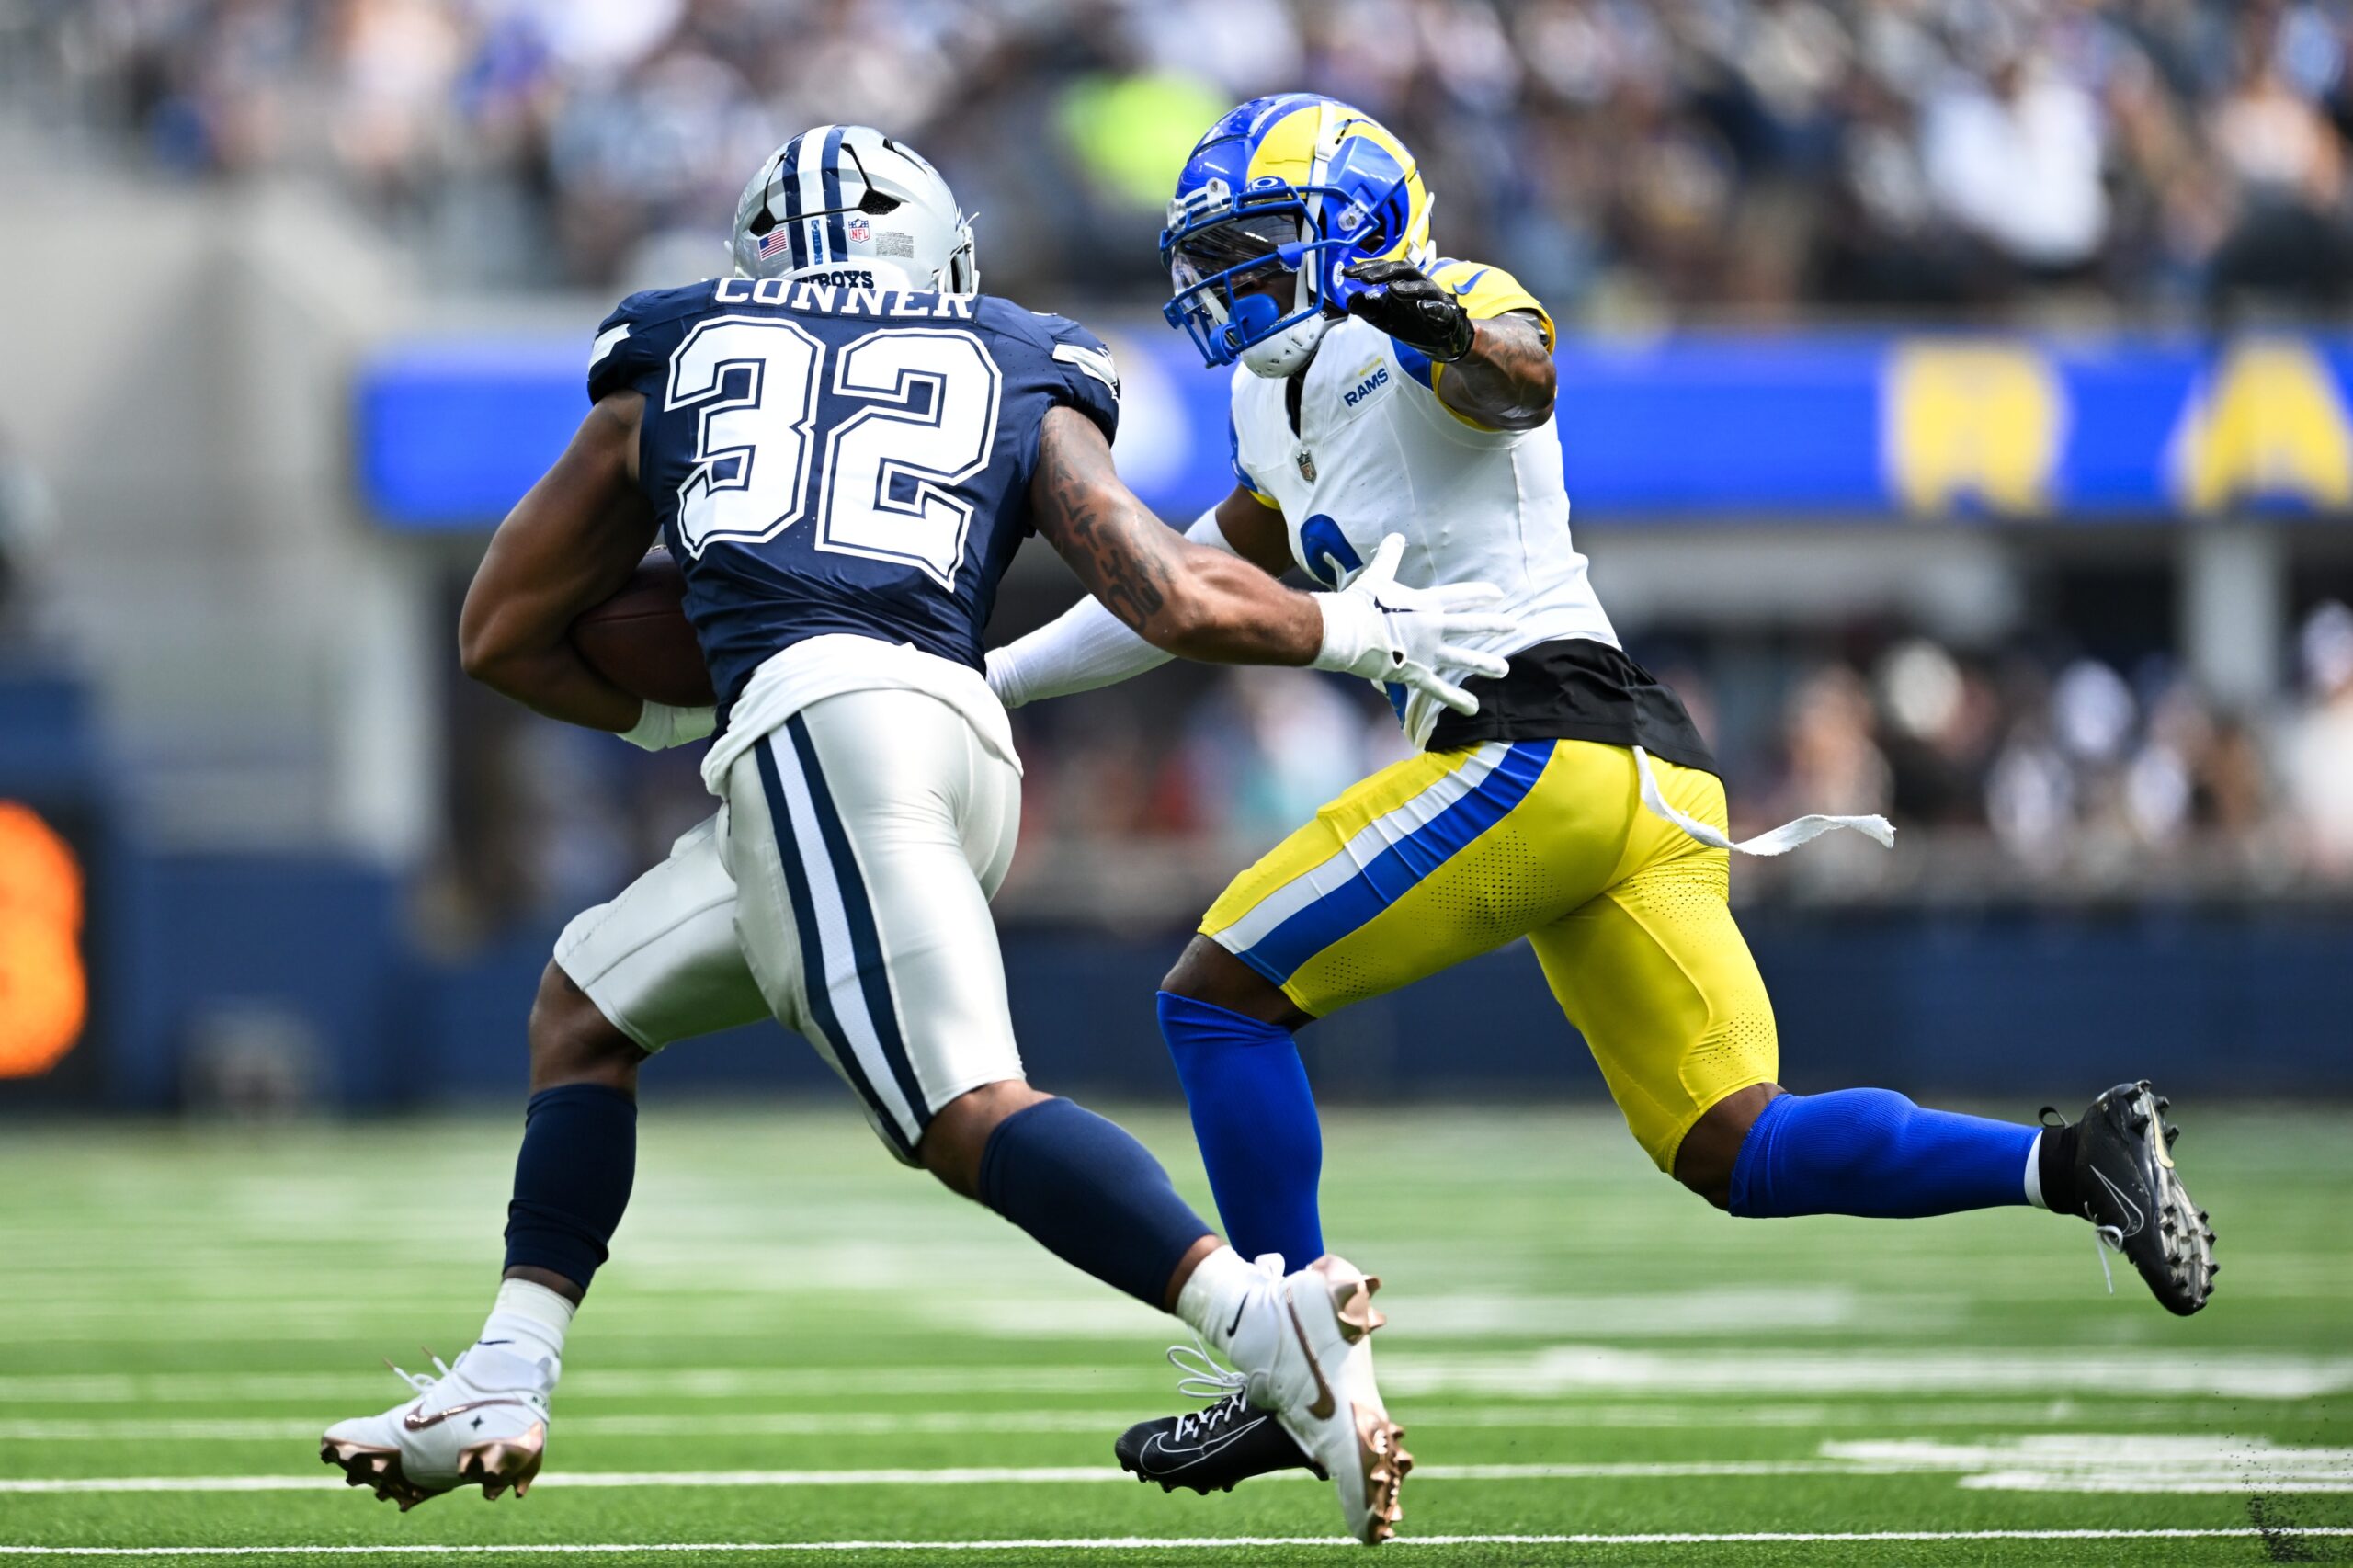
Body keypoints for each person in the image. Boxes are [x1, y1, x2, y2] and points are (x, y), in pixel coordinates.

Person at [981, 94, 2219, 1496]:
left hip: (1534, 744)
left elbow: (1517, 371)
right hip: (1642, 770)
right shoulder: (1275, 399)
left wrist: (1436, 321)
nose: (1223, 277)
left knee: (1217, 996)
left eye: (1258, 242)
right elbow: (1178, 587)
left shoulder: (1435, 311)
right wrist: (995, 678)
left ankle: (1289, 1356)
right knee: (1735, 1142)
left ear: (1355, 233)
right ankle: (2073, 1162)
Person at [320, 124, 1519, 1545]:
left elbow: (501, 633)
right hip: (955, 742)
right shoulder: (1016, 349)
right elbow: (1171, 592)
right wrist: (1349, 625)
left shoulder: (673, 348)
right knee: (587, 1001)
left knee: (963, 1114)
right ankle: (507, 1371)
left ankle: (1266, 1321)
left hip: (816, 730)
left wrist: (671, 711)